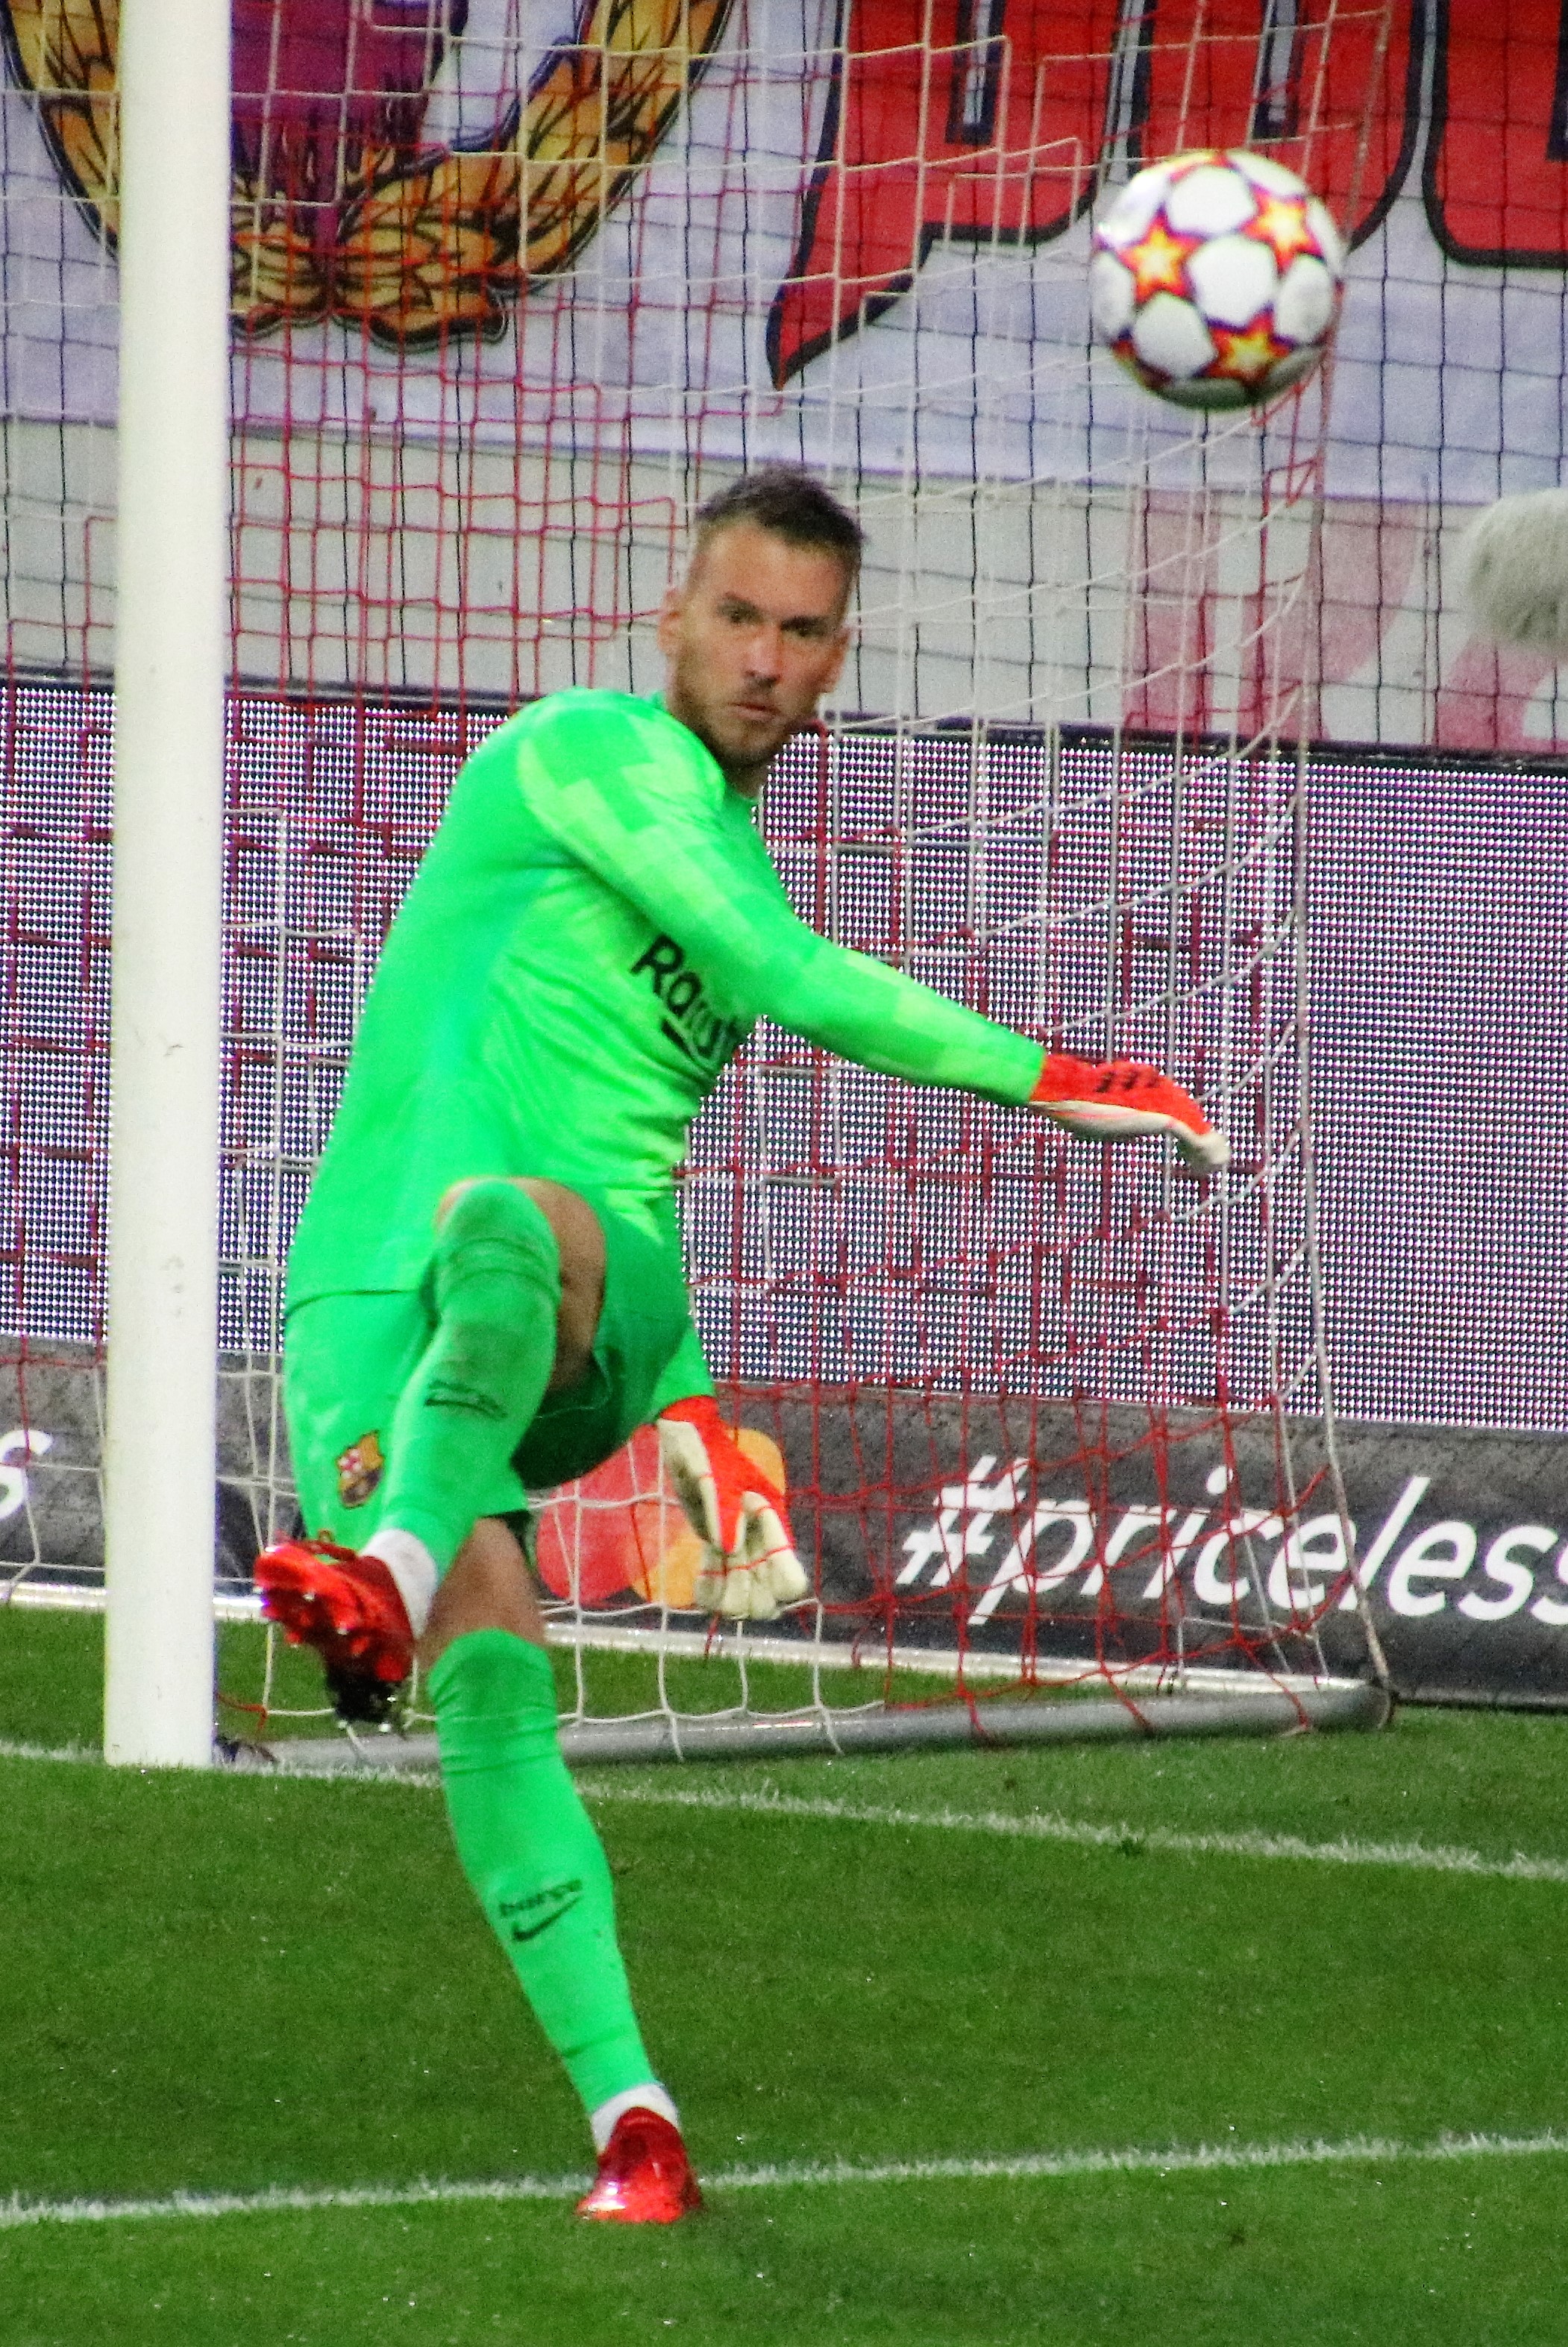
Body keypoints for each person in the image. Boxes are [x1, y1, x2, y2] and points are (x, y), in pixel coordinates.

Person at [255, 466, 1227, 2225]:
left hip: (564, 1287)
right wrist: (1048, 1072)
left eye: (801, 630)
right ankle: (635, 2120)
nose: (764, 658)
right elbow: (773, 969)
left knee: (514, 1215)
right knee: (490, 1682)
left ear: (838, 656)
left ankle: (379, 1566)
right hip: (357, 1308)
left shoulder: (724, 854)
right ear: (672, 619)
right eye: (738, 617)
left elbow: (631, 1155)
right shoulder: (582, 749)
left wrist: (686, 1382)